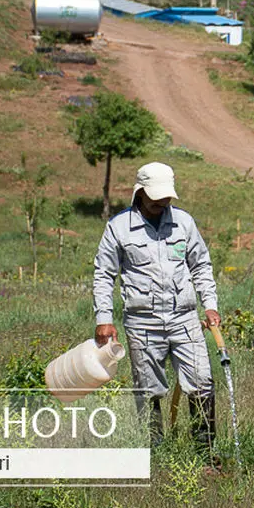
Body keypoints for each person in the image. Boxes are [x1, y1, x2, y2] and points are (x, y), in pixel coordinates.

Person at [92, 162, 221, 459]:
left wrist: (210, 305)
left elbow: (200, 265)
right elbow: (104, 274)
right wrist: (104, 319)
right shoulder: (118, 228)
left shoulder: (184, 223)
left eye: (167, 198)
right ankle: (156, 453)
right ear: (140, 192)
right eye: (156, 198)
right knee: (148, 389)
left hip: (184, 318)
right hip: (143, 322)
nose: (162, 204)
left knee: (202, 381)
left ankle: (205, 452)